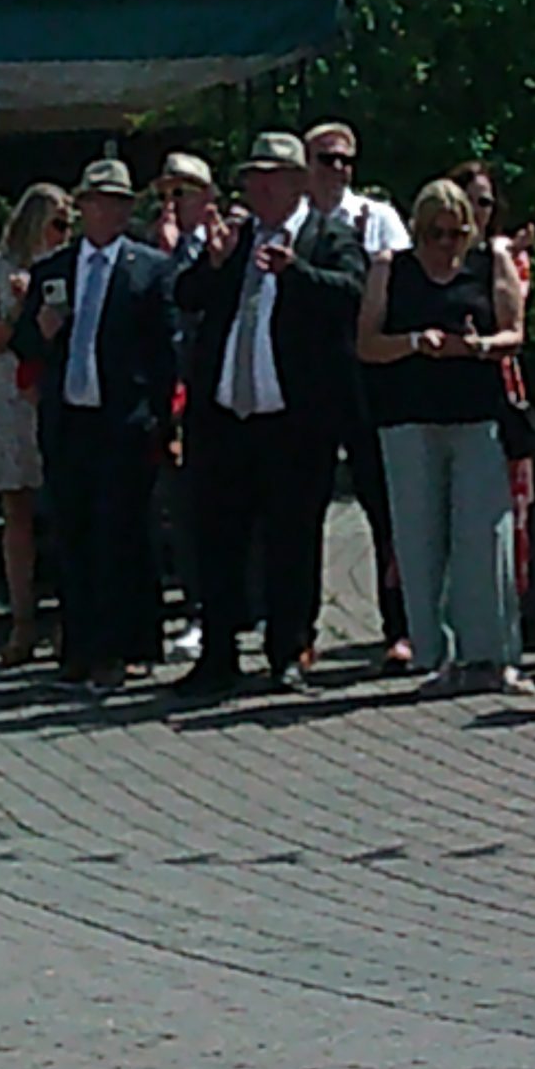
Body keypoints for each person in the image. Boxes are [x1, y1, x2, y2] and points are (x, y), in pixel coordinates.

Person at [178, 135, 364, 693]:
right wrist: (214, 263)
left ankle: (288, 651)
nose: (258, 188)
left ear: (298, 182)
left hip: (295, 420)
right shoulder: (236, 240)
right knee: (219, 539)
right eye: (251, 178)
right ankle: (217, 655)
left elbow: (352, 294)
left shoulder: (327, 236)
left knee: (292, 541)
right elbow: (186, 294)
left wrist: (295, 271)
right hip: (226, 418)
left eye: (271, 177)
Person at [12, 159, 177, 693]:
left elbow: (165, 352)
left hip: (125, 422)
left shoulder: (149, 269)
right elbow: (22, 344)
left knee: (122, 536)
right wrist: (41, 331)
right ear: (82, 207)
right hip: (69, 421)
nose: (107, 210)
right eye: (97, 201)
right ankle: (79, 647)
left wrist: (162, 421)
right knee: (73, 535)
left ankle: (123, 647)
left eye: (117, 202)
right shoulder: (53, 270)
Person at [360, 178, 527, 691]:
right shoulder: (391, 267)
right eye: (436, 233)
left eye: (456, 233)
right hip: (408, 420)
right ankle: (432, 656)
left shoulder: (489, 262)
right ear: (418, 229)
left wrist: (478, 347)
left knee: (484, 539)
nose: (446, 244)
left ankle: (492, 656)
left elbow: (515, 333)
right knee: (419, 541)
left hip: (476, 416)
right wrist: (414, 342)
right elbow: (367, 344)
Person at [299, 125, 418, 673]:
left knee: (383, 507)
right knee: (304, 509)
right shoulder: (295, 223)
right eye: (327, 159)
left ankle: (400, 627)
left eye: (347, 160)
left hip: (368, 381)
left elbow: (401, 291)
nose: (339, 169)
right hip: (308, 381)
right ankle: (300, 632)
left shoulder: (379, 218)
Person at [0, 184, 70, 669]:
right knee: (18, 509)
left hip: (59, 385)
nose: (63, 234)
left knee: (67, 507)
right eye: (57, 224)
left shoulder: (72, 264)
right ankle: (22, 620)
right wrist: (17, 311)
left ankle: (69, 619)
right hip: (11, 388)